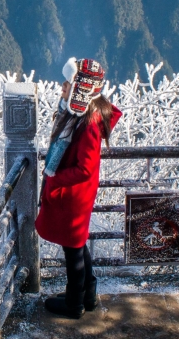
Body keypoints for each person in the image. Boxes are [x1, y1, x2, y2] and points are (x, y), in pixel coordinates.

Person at [36, 57, 120, 319]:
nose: (62, 87)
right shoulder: (81, 115)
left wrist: (55, 177)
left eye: (66, 83)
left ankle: (74, 304)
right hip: (75, 194)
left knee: (73, 248)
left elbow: (85, 167)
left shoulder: (89, 122)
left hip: (74, 195)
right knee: (78, 243)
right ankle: (87, 294)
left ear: (81, 88)